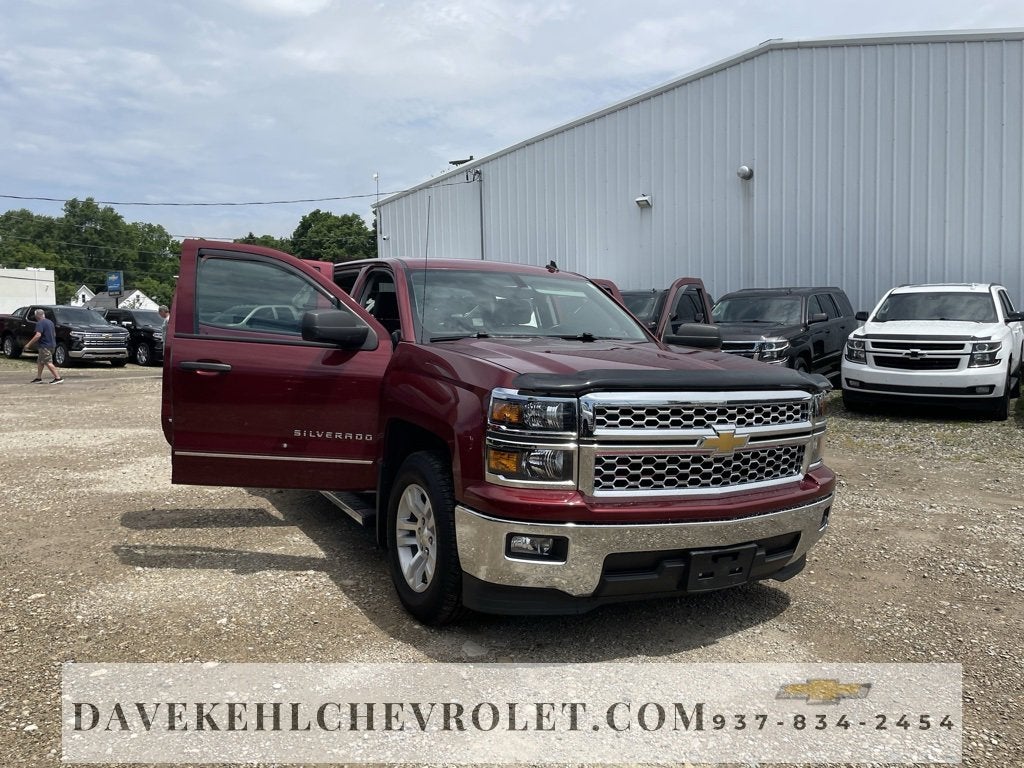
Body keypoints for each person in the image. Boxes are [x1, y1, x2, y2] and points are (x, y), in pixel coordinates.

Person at [24, 308, 63, 384]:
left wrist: (28, 344)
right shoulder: (50, 322)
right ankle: (39, 378)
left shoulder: (40, 323)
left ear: (36, 316)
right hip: (52, 345)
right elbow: (54, 334)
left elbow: (38, 335)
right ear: (43, 314)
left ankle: (58, 378)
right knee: (40, 362)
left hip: (45, 346)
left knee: (48, 362)